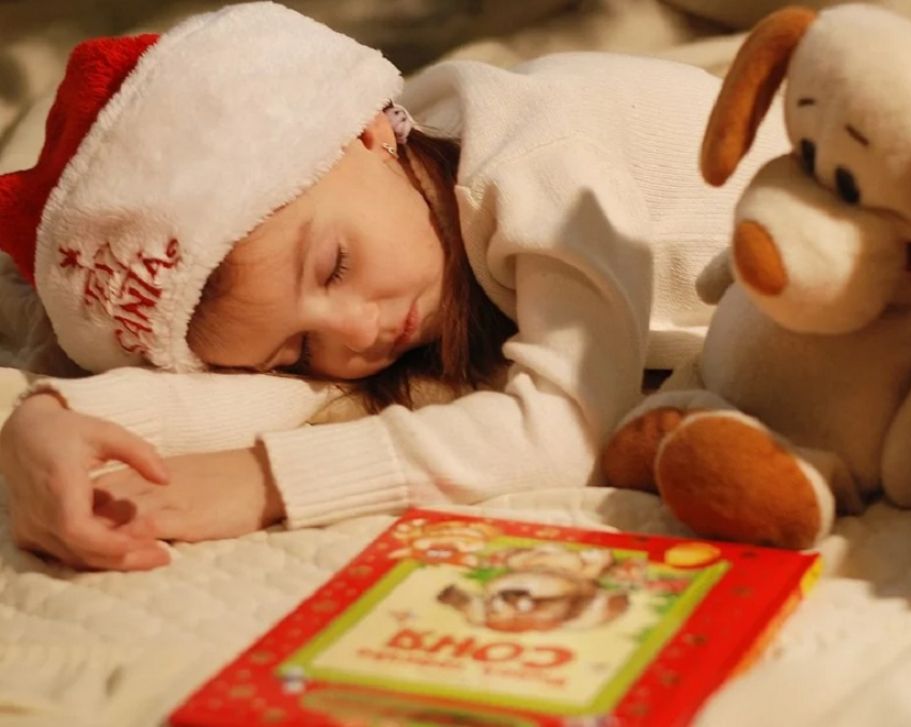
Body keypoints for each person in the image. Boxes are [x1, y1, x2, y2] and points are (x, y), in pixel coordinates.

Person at [0, 1, 789, 570]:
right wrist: (51, 417)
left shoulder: (538, 160)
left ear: (370, 129)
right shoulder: (372, 216)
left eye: (335, 266)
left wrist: (266, 481)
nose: (353, 332)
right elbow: (297, 395)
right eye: (297, 346)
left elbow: (567, 428)